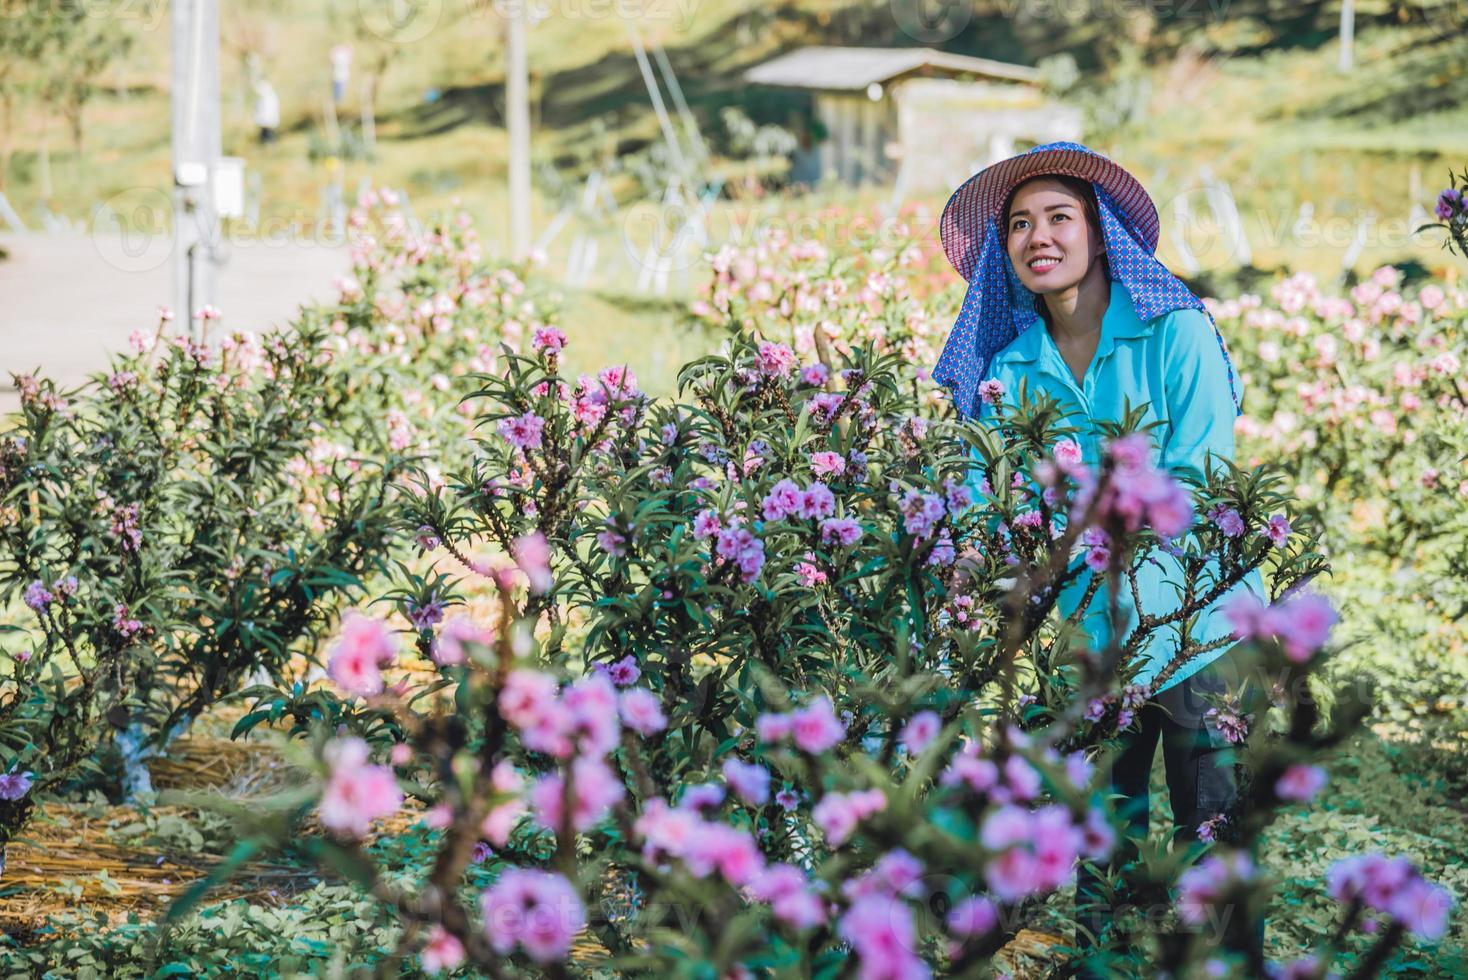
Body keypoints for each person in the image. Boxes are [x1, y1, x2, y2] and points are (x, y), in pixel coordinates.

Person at [931, 141, 1267, 974]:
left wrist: (1074, 527)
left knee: (1214, 840)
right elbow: (987, 496)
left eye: (1058, 217)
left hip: (1202, 630)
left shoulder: (1175, 332)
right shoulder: (1009, 370)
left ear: (1100, 231)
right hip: (1093, 645)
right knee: (1104, 845)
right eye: (1018, 224)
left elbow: (1200, 479)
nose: (1037, 236)